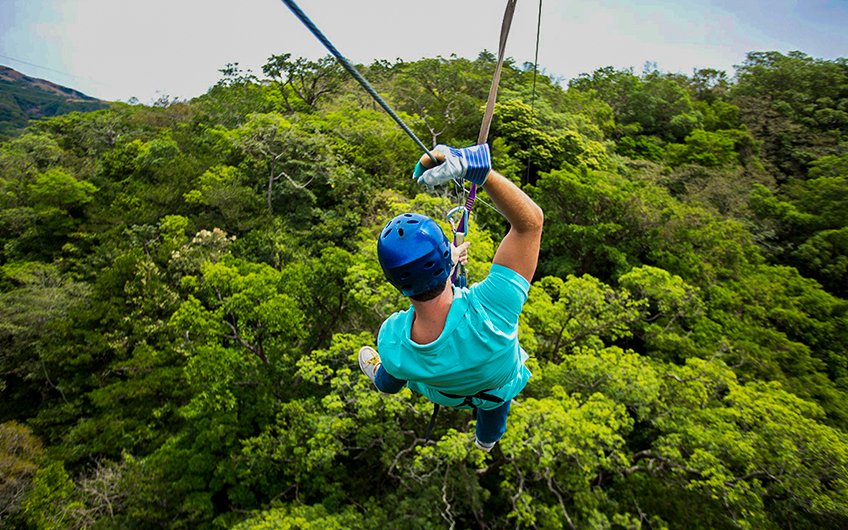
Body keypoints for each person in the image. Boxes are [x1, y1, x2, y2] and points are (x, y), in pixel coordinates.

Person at [358, 143, 543, 451]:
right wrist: (477, 169)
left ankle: (378, 374)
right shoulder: (493, 310)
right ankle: (486, 440)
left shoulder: (393, 337)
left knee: (390, 374)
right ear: (446, 258)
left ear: (394, 282)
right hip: (497, 386)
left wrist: (445, 265)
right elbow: (530, 224)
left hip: (445, 393)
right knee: (496, 405)